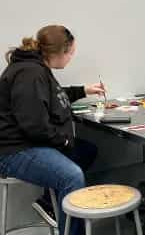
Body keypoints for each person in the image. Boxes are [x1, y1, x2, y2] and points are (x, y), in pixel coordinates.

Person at [0, 25, 104, 235]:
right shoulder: (30, 72)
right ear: (61, 52)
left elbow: (52, 96)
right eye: (72, 53)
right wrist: (63, 141)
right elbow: (34, 125)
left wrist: (84, 90)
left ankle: (49, 203)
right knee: (72, 176)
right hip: (15, 151)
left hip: (28, 142)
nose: (72, 58)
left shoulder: (36, 68)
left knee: (86, 151)